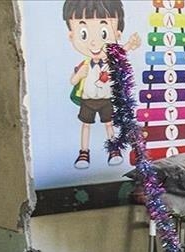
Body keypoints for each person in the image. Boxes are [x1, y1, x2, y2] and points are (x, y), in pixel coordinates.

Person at [62, 0, 140, 169]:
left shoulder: (111, 62)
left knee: (109, 124)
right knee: (86, 125)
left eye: (104, 33)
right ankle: (84, 152)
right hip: (87, 100)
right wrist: (79, 75)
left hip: (106, 100)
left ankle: (114, 149)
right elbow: (73, 81)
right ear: (71, 35)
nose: (94, 42)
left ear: (117, 34)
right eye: (84, 34)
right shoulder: (83, 65)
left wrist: (130, 45)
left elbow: (121, 52)